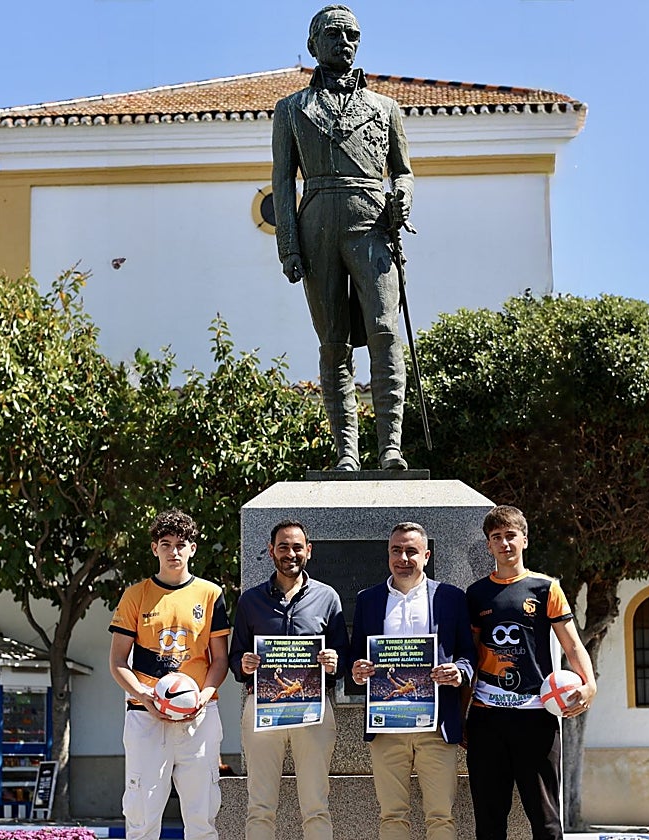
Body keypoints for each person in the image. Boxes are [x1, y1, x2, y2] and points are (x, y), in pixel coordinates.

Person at [272, 4, 415, 471]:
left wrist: (403, 198)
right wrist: (289, 245)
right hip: (316, 230)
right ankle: (347, 452)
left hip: (371, 224)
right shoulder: (291, 110)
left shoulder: (385, 108)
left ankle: (390, 446)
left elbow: (404, 172)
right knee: (332, 342)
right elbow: (281, 181)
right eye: (333, 35)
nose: (345, 42)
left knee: (385, 333)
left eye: (352, 35)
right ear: (314, 45)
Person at [465, 505, 597, 840]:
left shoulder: (545, 588)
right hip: (487, 718)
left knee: (546, 820)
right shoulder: (476, 593)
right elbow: (469, 655)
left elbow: (572, 645)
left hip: (535, 717)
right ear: (488, 546)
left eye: (511, 535)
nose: (504, 543)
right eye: (497, 537)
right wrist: (460, 715)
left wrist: (590, 685)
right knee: (489, 821)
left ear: (524, 539)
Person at [108, 509, 231, 840]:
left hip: (199, 717)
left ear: (193, 548)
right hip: (146, 716)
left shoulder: (211, 594)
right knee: (142, 818)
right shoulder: (135, 595)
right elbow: (118, 661)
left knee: (202, 817)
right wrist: (145, 697)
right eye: (166, 544)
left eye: (181, 544)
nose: (173, 552)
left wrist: (203, 697)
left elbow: (220, 659)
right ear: (154, 548)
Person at [350, 522, 475, 840]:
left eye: (411, 551)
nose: (403, 557)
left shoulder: (450, 598)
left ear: (426, 555)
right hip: (387, 727)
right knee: (392, 815)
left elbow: (468, 654)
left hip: (436, 726)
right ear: (388, 554)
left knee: (441, 817)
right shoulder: (368, 600)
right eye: (396, 550)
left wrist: (459, 672)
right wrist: (358, 670)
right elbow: (355, 657)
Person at [229, 519, 348, 840]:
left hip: (314, 711)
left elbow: (344, 656)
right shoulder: (250, 601)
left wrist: (335, 660)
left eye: (297, 547)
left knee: (316, 805)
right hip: (262, 710)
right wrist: (245, 663)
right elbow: (234, 656)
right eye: (283, 547)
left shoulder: (327, 597)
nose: (290, 553)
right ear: (271, 551)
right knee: (260, 806)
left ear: (309, 551)